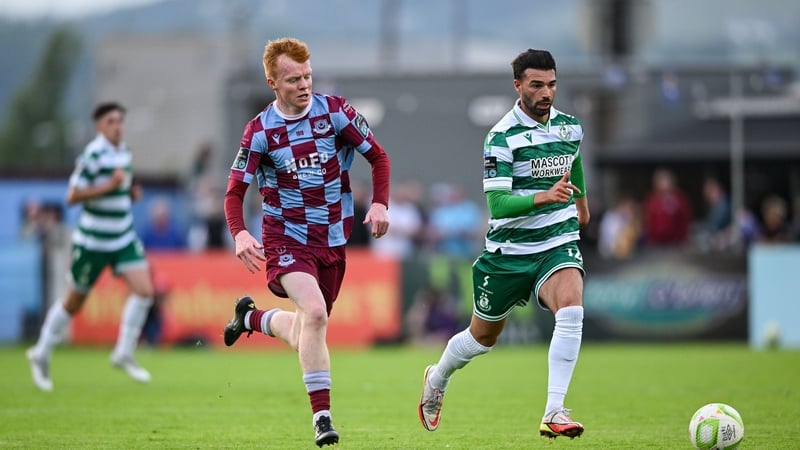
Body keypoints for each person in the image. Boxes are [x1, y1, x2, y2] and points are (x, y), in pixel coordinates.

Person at [221, 37, 390, 447]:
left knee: (305, 330)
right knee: (314, 314)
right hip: (286, 238)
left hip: (332, 237)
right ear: (272, 82)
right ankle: (322, 418)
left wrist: (381, 203)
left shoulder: (335, 112)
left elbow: (379, 157)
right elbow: (233, 193)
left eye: (308, 76)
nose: (304, 84)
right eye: (293, 78)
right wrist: (241, 232)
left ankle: (251, 319)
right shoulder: (260, 131)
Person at [418, 49, 591, 440]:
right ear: (517, 86)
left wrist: (581, 205)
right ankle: (437, 377)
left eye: (551, 84)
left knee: (571, 307)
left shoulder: (570, 127)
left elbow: (573, 159)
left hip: (556, 242)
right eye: (537, 85)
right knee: (482, 338)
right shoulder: (501, 137)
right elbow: (498, 204)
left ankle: (555, 410)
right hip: (508, 253)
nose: (546, 93)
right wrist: (544, 197)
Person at [26, 102, 155, 391]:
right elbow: (72, 196)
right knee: (75, 302)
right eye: (111, 121)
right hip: (93, 241)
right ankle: (41, 352)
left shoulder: (124, 151)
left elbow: (123, 186)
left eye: (120, 120)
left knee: (145, 291)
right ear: (100, 126)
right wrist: (109, 186)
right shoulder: (92, 154)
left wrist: (130, 192)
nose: (118, 126)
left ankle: (124, 351)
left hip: (122, 236)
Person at [643, 168, 692, 246]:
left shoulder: (679, 198)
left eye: (666, 180)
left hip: (675, 243)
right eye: (661, 181)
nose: (664, 183)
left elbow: (685, 219)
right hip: (655, 242)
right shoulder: (653, 199)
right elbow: (648, 219)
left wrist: (682, 239)